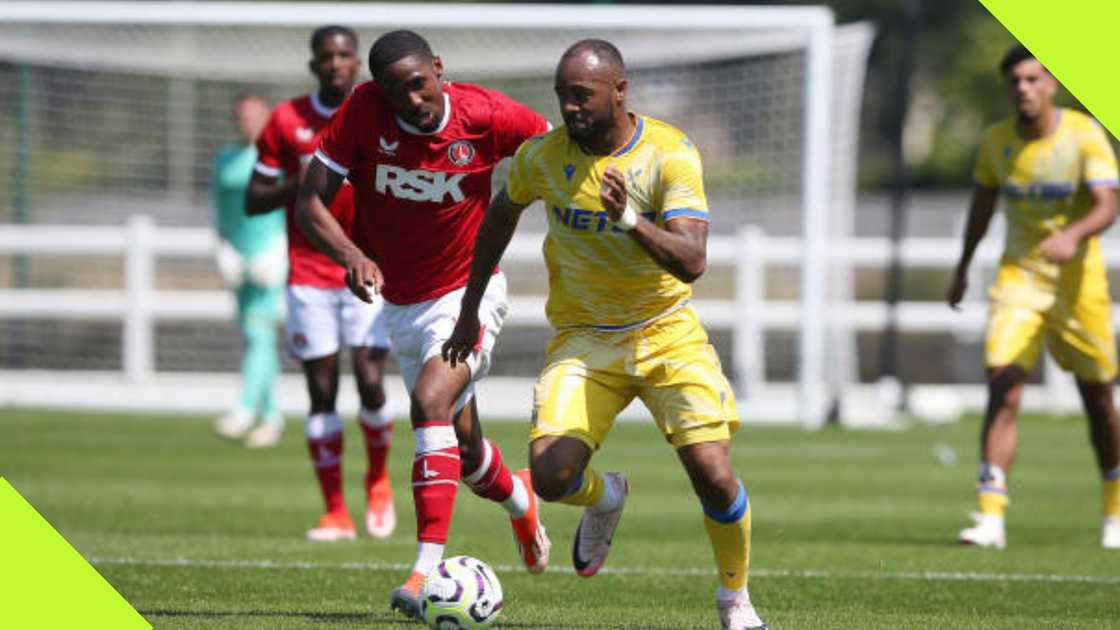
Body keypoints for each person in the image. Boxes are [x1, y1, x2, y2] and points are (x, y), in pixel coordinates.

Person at [444, 39, 767, 630]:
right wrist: (469, 307)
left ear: (620, 90)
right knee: (550, 476)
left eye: (581, 95)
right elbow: (498, 216)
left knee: (715, 478)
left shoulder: (670, 154)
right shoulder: (543, 157)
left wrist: (628, 221)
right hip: (585, 338)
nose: (569, 108)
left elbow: (693, 260)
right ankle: (607, 497)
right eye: (562, 96)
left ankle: (735, 600)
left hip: (666, 332)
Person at [294, 30, 552, 620]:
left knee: (429, 402)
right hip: (402, 305)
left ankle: (423, 569)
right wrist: (352, 257)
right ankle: (521, 501)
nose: (410, 99)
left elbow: (557, 150)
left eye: (418, 83)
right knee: (464, 453)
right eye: (395, 91)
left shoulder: (486, 115)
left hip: (470, 294)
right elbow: (311, 202)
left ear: (438, 69)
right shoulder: (363, 111)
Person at [947, 44, 1120, 550]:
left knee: (1099, 401)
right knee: (1004, 385)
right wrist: (961, 269)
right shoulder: (995, 142)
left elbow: (1109, 204)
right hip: (1018, 281)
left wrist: (1074, 235)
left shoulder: (1084, 135)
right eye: (1014, 81)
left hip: (1077, 286)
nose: (1022, 88)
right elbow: (981, 209)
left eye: (1032, 79)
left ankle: (1114, 511)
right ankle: (990, 516)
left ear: (1052, 85)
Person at [245, 25, 396, 542]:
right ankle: (335, 511)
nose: (335, 63)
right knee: (322, 393)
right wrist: (308, 178)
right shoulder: (287, 120)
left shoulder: (378, 112)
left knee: (372, 378)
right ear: (314, 65)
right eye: (326, 56)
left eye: (344, 55)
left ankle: (378, 481)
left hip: (370, 266)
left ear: (357, 64)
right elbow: (254, 197)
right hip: (310, 272)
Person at [212, 93, 288, 449]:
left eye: (254, 116)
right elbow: (221, 210)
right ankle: (271, 417)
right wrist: (222, 246)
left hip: (269, 258)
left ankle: (244, 409)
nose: (248, 122)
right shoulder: (225, 160)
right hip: (238, 260)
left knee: (260, 333)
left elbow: (297, 201)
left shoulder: (279, 157)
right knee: (256, 337)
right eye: (242, 116)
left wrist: (280, 249)